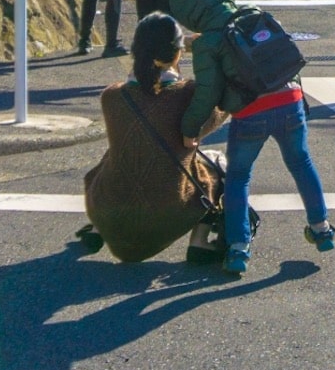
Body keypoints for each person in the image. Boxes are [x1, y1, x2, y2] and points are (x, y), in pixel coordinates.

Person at [171, 0, 335, 276]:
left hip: (251, 113)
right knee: (301, 162)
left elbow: (207, 93)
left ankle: (238, 249)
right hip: (290, 99)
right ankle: (322, 228)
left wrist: (189, 129)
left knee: (238, 176)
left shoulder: (209, 42)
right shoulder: (256, 14)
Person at [80, 13, 226, 264]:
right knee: (219, 164)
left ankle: (96, 229)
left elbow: (147, 86)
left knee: (120, 149)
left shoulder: (112, 97)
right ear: (178, 53)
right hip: (166, 216)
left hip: (109, 215)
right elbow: (221, 110)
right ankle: (200, 243)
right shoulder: (188, 95)